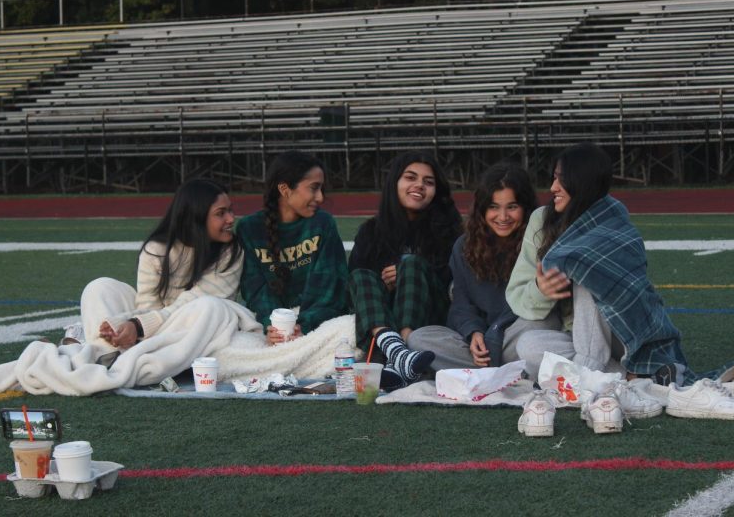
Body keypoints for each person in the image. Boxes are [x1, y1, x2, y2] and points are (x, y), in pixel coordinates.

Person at [506, 143, 702, 386]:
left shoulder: (613, 215)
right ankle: (629, 376)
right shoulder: (541, 219)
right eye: (554, 178)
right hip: (575, 336)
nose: (552, 188)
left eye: (561, 180)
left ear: (582, 181)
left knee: (589, 271)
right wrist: (541, 289)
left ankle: (588, 372)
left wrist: (582, 266)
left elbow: (632, 285)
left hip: (624, 332)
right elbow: (516, 296)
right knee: (528, 345)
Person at [408, 163, 561, 370]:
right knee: (419, 339)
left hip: (517, 334)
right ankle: (505, 369)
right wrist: (473, 333)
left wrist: (494, 336)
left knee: (543, 326)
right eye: (494, 207)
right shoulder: (464, 246)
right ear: (481, 209)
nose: (503, 217)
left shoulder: (538, 242)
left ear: (525, 209)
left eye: (512, 207)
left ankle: (489, 369)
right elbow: (461, 301)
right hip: (485, 341)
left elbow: (531, 306)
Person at [79, 178, 245, 354]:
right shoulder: (156, 250)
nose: (231, 218)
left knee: (207, 306)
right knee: (100, 287)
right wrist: (127, 324)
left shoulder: (231, 251)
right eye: (221, 213)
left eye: (230, 210)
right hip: (156, 325)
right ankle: (108, 354)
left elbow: (194, 303)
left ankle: (127, 358)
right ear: (195, 217)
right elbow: (148, 305)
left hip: (195, 331)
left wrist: (136, 325)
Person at [349, 150, 462, 388]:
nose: (419, 185)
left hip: (431, 317)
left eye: (428, 182)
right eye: (411, 177)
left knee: (410, 264)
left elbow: (452, 285)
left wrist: (411, 273)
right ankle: (399, 353)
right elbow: (359, 288)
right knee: (360, 275)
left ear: (436, 191)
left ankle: (398, 351)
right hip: (386, 317)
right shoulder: (371, 231)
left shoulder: (449, 231)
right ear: (395, 183)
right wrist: (387, 284)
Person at [237, 151, 349, 344]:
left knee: (350, 330)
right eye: (314, 188)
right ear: (285, 189)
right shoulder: (249, 228)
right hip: (271, 324)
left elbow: (330, 286)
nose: (321, 197)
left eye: (321, 189)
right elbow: (255, 290)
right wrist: (273, 325)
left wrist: (303, 325)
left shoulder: (322, 224)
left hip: (317, 320)